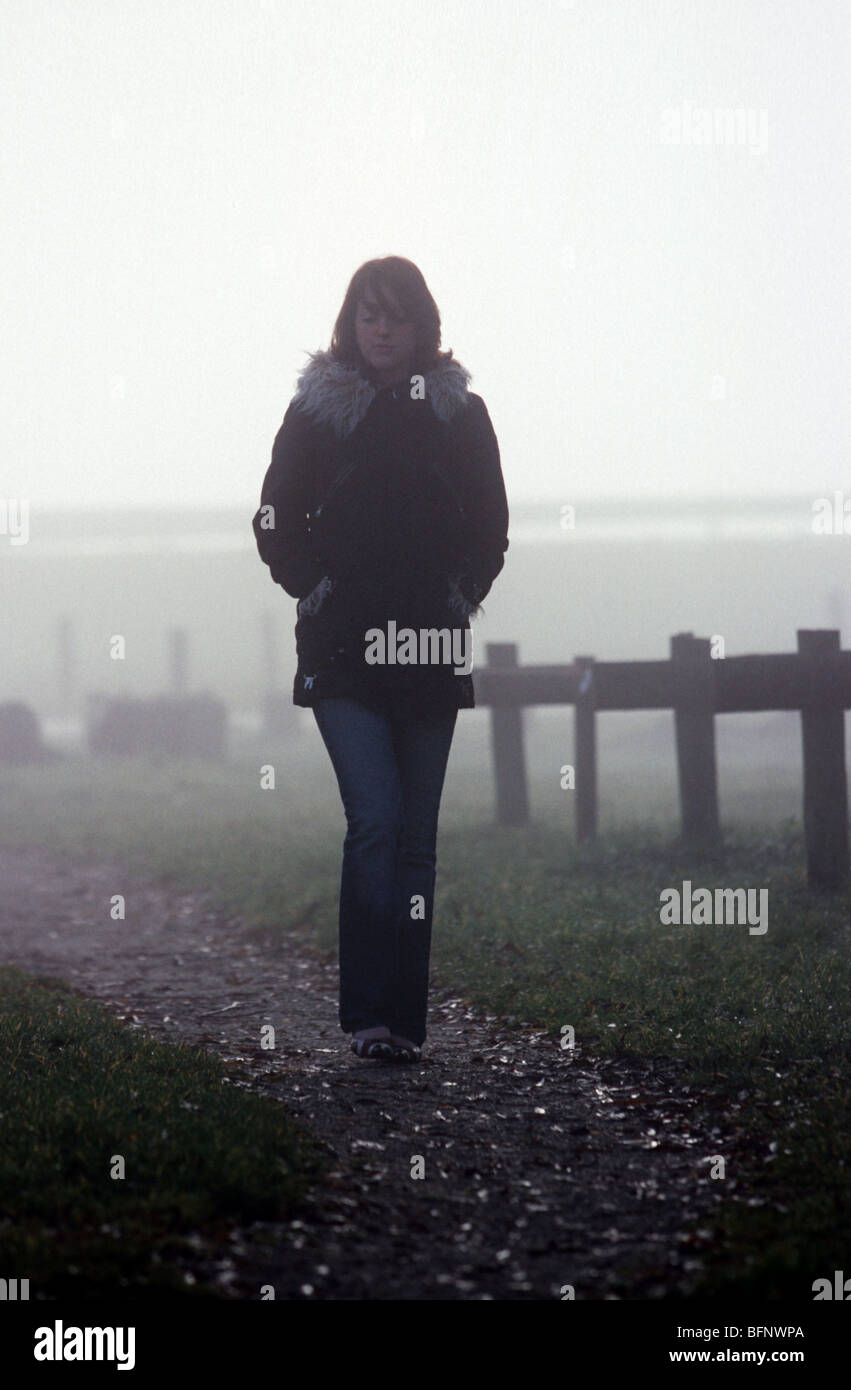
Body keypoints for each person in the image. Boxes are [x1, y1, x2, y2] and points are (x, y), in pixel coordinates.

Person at [252, 256, 508, 1063]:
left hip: (429, 650)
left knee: (417, 839)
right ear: (350, 323)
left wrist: (459, 594)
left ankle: (404, 1022)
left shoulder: (460, 413)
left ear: (423, 322)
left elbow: (491, 522)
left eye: (397, 314)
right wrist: (314, 586)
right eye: (370, 314)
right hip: (342, 651)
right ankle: (366, 1016)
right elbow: (270, 515)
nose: (383, 329)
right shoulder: (315, 412)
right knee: (377, 821)